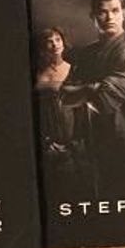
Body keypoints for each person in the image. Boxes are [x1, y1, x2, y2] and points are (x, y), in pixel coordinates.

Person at [60, 0, 125, 188]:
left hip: (124, 138)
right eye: (102, 12)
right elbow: (64, 95)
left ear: (123, 14)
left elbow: (105, 99)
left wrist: (85, 90)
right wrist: (93, 88)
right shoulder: (87, 53)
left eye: (115, 11)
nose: (109, 17)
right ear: (93, 16)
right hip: (89, 138)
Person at [34, 27, 75, 158]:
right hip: (42, 122)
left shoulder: (72, 69)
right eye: (49, 41)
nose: (55, 44)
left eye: (58, 40)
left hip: (64, 122)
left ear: (63, 42)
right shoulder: (37, 70)